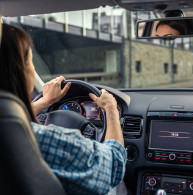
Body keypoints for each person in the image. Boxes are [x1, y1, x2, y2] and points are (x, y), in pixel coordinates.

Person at [0, 23, 127, 195]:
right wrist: (111, 109)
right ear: (19, 71)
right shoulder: (44, 141)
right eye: (30, 61)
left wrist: (44, 102)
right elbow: (114, 165)